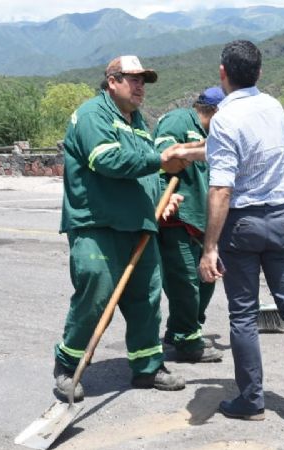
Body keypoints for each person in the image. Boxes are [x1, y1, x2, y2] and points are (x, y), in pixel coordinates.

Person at [198, 40, 284, 423]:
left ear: (223, 73)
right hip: (281, 218)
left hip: (241, 225)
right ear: (259, 73)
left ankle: (250, 400)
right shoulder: (274, 107)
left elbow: (222, 188)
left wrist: (210, 247)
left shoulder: (224, 120)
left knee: (242, 315)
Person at [53, 55, 193, 401]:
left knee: (146, 295)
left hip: (137, 223)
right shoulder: (91, 116)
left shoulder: (136, 122)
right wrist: (160, 159)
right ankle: (67, 365)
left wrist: (162, 197)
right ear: (112, 81)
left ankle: (148, 366)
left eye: (143, 81)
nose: (140, 86)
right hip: (97, 223)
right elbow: (107, 160)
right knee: (97, 289)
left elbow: (144, 173)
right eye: (133, 79)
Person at [153, 86, 226, 363]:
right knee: (185, 281)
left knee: (206, 280)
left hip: (202, 221)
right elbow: (164, 155)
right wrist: (203, 148)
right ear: (216, 111)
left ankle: (180, 328)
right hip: (177, 219)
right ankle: (187, 341)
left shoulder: (211, 133)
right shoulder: (179, 120)